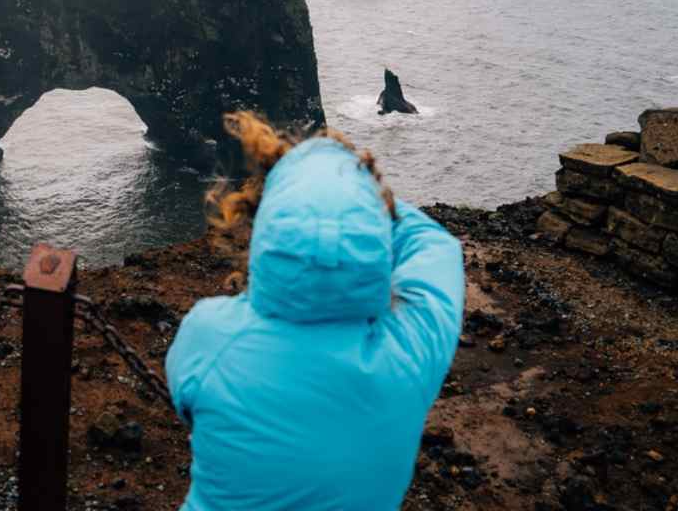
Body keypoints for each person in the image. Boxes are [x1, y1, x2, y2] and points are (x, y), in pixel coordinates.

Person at [165, 112, 465, 511]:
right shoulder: (413, 349)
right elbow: (435, 245)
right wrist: (362, 199)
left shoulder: (209, 334)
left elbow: (188, 408)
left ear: (265, 227)